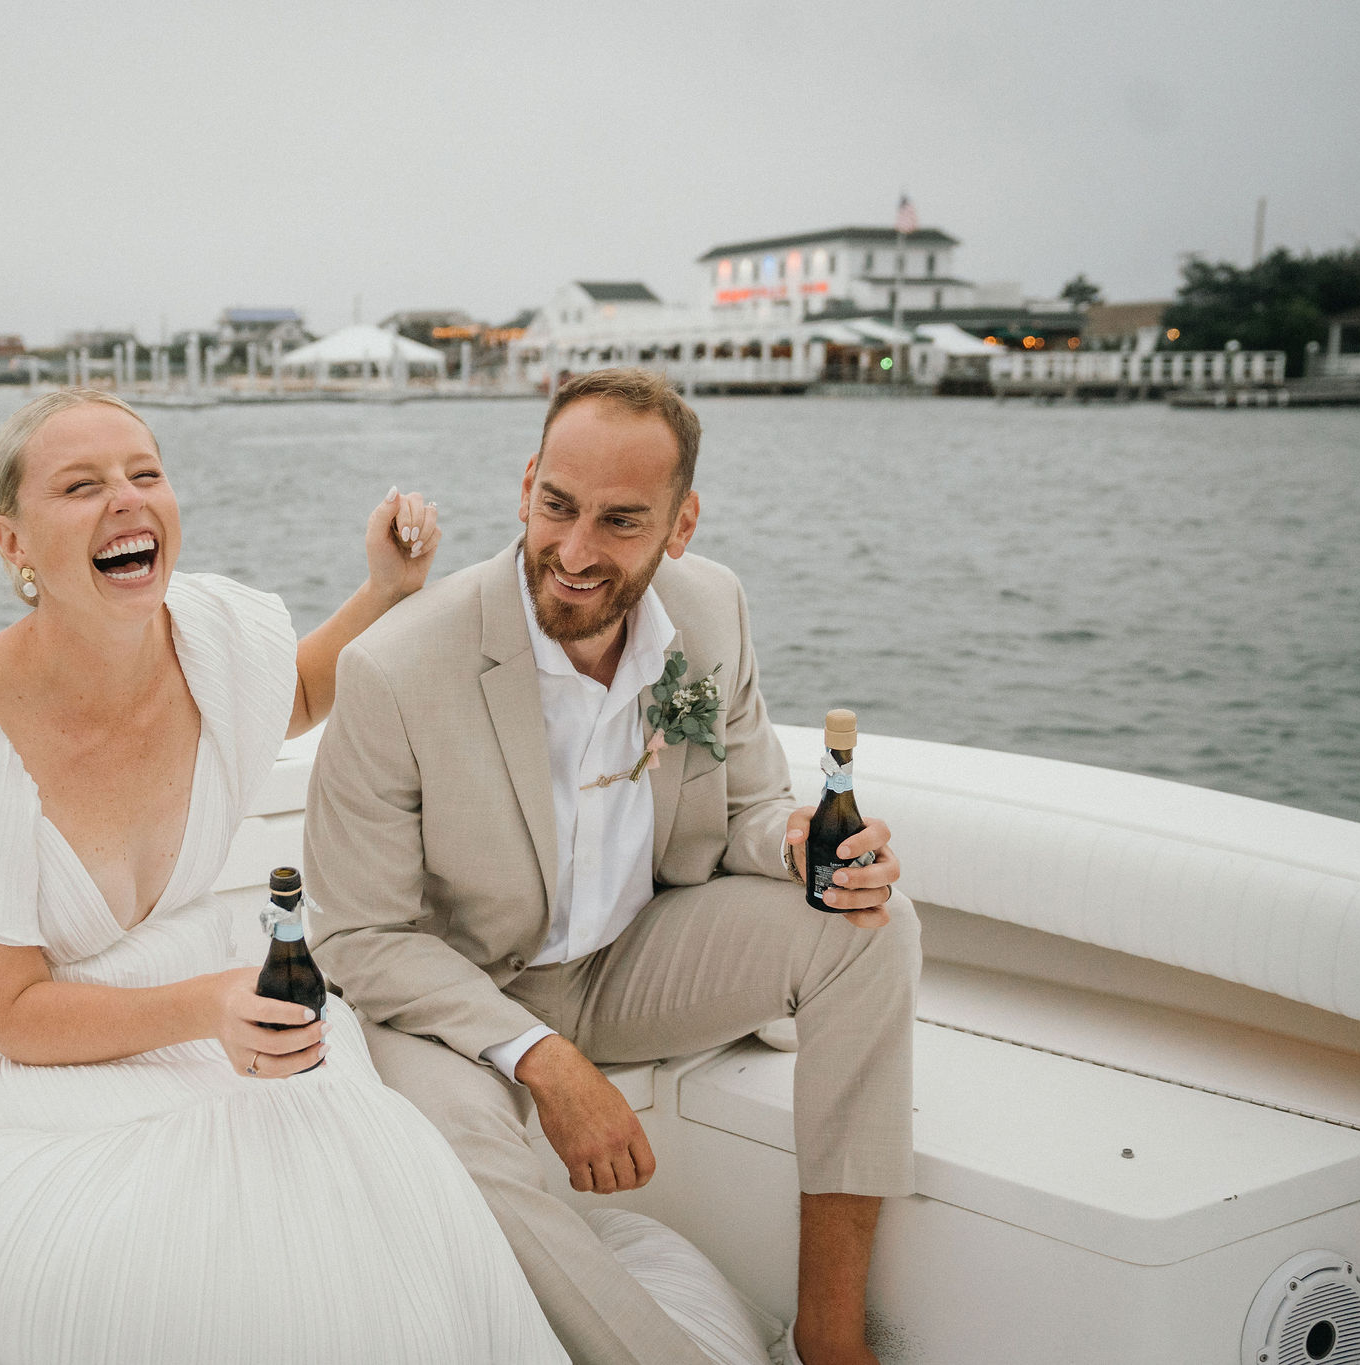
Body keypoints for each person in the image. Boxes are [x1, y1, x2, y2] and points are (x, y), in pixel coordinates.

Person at [0, 390, 567, 1364]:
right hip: (38, 1067)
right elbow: (15, 1014)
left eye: (144, 474)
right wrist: (212, 1005)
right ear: (12, 539)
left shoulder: (205, 634)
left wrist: (385, 588)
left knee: (368, 1203)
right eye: (81, 486)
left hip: (211, 1000)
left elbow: (290, 694)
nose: (124, 499)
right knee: (205, 1279)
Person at [303, 368, 920, 1365]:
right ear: (523, 489)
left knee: (866, 929)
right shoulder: (395, 668)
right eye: (556, 507)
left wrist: (797, 843)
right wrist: (542, 1062)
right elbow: (357, 936)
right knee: (458, 1156)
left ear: (679, 526)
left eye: (620, 522)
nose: (575, 552)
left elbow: (748, 810)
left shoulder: (710, 609)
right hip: (455, 998)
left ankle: (830, 1337)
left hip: (631, 956)